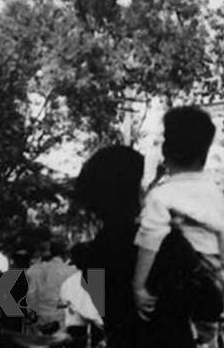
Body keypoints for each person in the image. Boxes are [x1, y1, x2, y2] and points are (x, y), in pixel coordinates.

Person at [74, 145, 195, 348]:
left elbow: (109, 311)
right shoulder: (168, 242)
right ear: (130, 193)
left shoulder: (89, 256)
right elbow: (204, 299)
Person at [133, 106, 224, 342]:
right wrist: (221, 270)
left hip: (177, 279)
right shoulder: (215, 193)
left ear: (166, 152)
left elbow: (150, 240)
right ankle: (204, 327)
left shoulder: (160, 195)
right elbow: (223, 234)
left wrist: (139, 285)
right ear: (205, 154)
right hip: (209, 276)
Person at [24, 237, 76, 328]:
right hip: (64, 316)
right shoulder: (71, 271)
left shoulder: (34, 270)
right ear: (65, 254)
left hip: (42, 317)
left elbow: (30, 297)